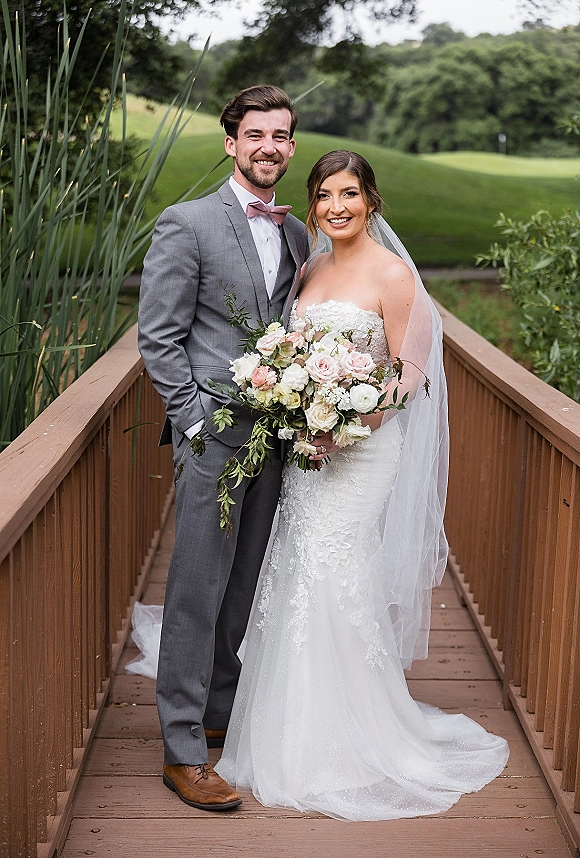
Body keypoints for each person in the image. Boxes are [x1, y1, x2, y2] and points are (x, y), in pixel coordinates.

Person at [214, 150, 509, 820]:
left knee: (335, 571)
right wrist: (294, 400)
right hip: (305, 450)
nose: (335, 207)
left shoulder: (394, 274)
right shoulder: (311, 267)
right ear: (314, 204)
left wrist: (356, 415)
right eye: (323, 195)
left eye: (349, 193)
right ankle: (286, 729)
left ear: (371, 200)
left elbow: (412, 372)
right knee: (294, 571)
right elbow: (290, 353)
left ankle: (354, 736)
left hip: (364, 450)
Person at [137, 85, 309, 812]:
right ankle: (181, 752)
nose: (269, 146)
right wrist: (196, 421)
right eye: (256, 134)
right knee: (197, 593)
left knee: (243, 590)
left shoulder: (299, 235)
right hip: (214, 441)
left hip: (273, 439)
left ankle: (218, 719)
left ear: (291, 147)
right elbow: (160, 336)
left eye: (282, 135)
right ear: (232, 142)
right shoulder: (189, 223)